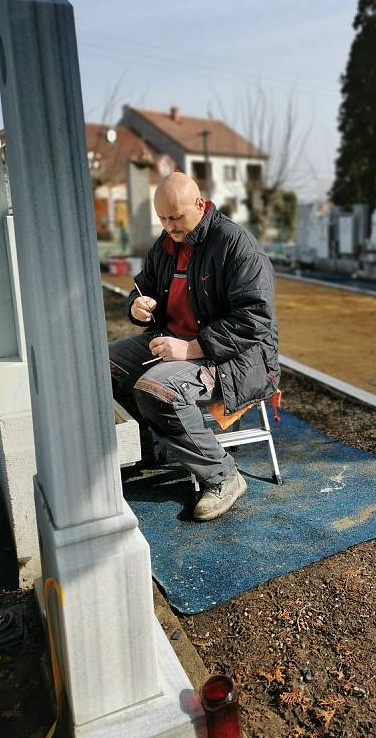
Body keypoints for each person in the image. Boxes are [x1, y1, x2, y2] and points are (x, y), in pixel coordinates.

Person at [108, 172, 280, 521]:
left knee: (158, 390)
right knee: (104, 365)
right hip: (173, 342)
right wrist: (136, 307)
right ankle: (150, 446)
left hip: (235, 359)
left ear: (200, 205)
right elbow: (143, 288)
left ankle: (223, 476)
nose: (169, 226)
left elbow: (255, 319)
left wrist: (191, 349)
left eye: (176, 217)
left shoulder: (236, 245)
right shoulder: (166, 245)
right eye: (163, 218)